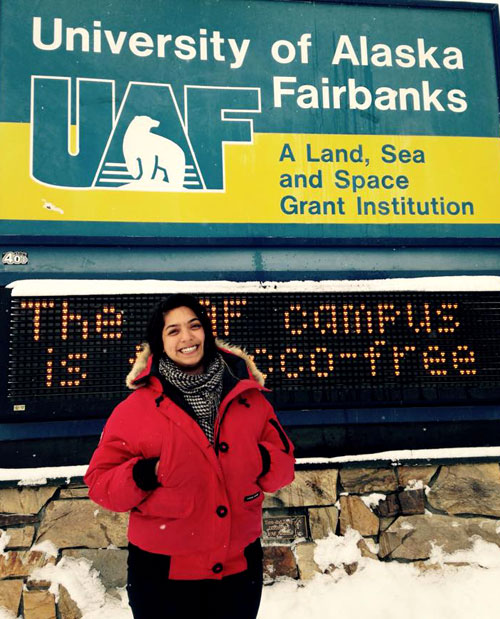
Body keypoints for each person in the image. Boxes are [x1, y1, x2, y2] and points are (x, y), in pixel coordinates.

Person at [84, 293, 295, 619]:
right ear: (159, 342)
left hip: (238, 570)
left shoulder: (250, 399)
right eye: (173, 330)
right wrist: (146, 473)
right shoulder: (134, 410)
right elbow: (100, 483)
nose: (187, 337)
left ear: (206, 332)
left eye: (194, 326)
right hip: (163, 576)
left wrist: (259, 460)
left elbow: (282, 466)